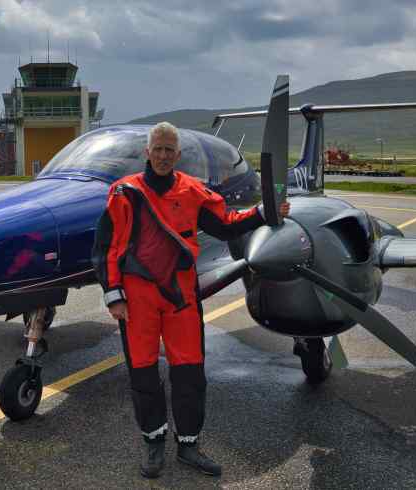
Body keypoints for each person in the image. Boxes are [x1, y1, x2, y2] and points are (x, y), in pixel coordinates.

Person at [92, 122, 289, 479]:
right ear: (148, 152)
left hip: (181, 297)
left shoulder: (193, 191)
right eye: (158, 149)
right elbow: (106, 249)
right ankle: (153, 442)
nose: (163, 156)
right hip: (137, 301)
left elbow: (225, 225)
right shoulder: (124, 193)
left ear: (177, 155)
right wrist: (113, 295)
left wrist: (263, 213)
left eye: (169, 150)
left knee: (190, 373)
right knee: (143, 373)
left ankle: (188, 445)